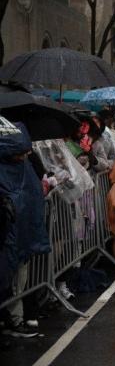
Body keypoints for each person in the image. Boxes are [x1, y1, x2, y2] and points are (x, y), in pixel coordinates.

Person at [0, 123, 50, 337]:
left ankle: (15, 317)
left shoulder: (23, 164)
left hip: (18, 232)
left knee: (19, 274)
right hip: (8, 233)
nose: (22, 157)